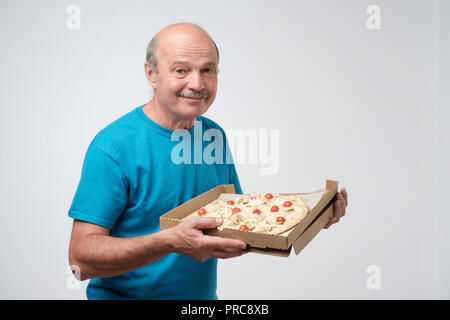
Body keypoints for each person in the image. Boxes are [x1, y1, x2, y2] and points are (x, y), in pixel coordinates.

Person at [67, 22, 348, 300]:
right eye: (181, 70)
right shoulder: (113, 147)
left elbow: (240, 224)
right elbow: (80, 262)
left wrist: (311, 215)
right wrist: (169, 241)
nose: (197, 84)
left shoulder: (213, 134)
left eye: (208, 70)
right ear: (151, 73)